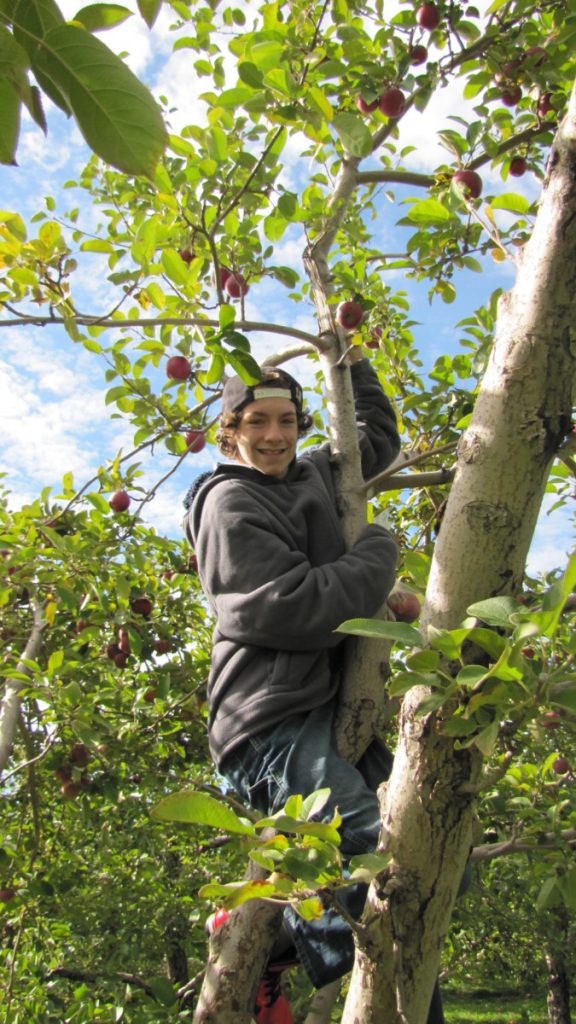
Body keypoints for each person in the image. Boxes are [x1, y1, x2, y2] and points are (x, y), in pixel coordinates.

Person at [184, 349, 442, 1023]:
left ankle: (282, 939)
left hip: (327, 714)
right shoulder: (227, 501)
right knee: (375, 859)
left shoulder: (317, 477)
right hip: (266, 720)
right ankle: (300, 940)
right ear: (230, 428)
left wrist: (349, 361)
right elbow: (287, 605)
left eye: (288, 420)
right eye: (257, 421)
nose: (274, 436)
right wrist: (379, 555)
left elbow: (373, 441)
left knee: (435, 841)